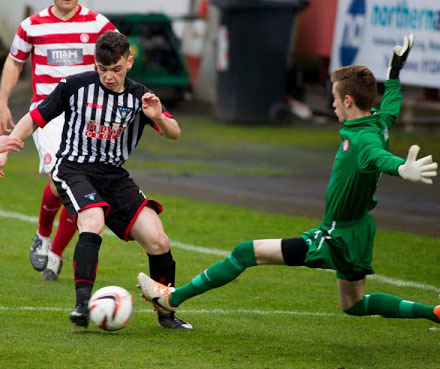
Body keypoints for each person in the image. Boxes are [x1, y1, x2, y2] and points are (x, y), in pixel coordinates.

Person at [137, 34, 440, 327]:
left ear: (347, 100)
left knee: (245, 252)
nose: (331, 104)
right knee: (354, 304)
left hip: (336, 237)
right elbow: (392, 108)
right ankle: (434, 312)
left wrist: (401, 168)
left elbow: (378, 158)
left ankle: (172, 298)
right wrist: (394, 74)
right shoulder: (378, 122)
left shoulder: (363, 141)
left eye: (333, 98)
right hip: (359, 232)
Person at [0, 31, 192, 330]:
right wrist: (8, 145)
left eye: (116, 69)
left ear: (129, 62)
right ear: (95, 64)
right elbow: (36, 117)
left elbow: (175, 133)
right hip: (74, 168)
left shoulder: (140, 96)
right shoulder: (75, 86)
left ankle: (165, 313)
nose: (109, 77)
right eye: (103, 70)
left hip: (115, 176)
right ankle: (82, 306)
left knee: (158, 240)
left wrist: (159, 117)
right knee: (93, 222)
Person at [0, 0, 116, 281]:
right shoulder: (31, 26)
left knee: (79, 186)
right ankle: (42, 234)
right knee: (59, 179)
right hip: (48, 114)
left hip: (87, 115)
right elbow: (15, 62)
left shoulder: (99, 25)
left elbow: (119, 57)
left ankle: (55, 253)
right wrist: (3, 101)